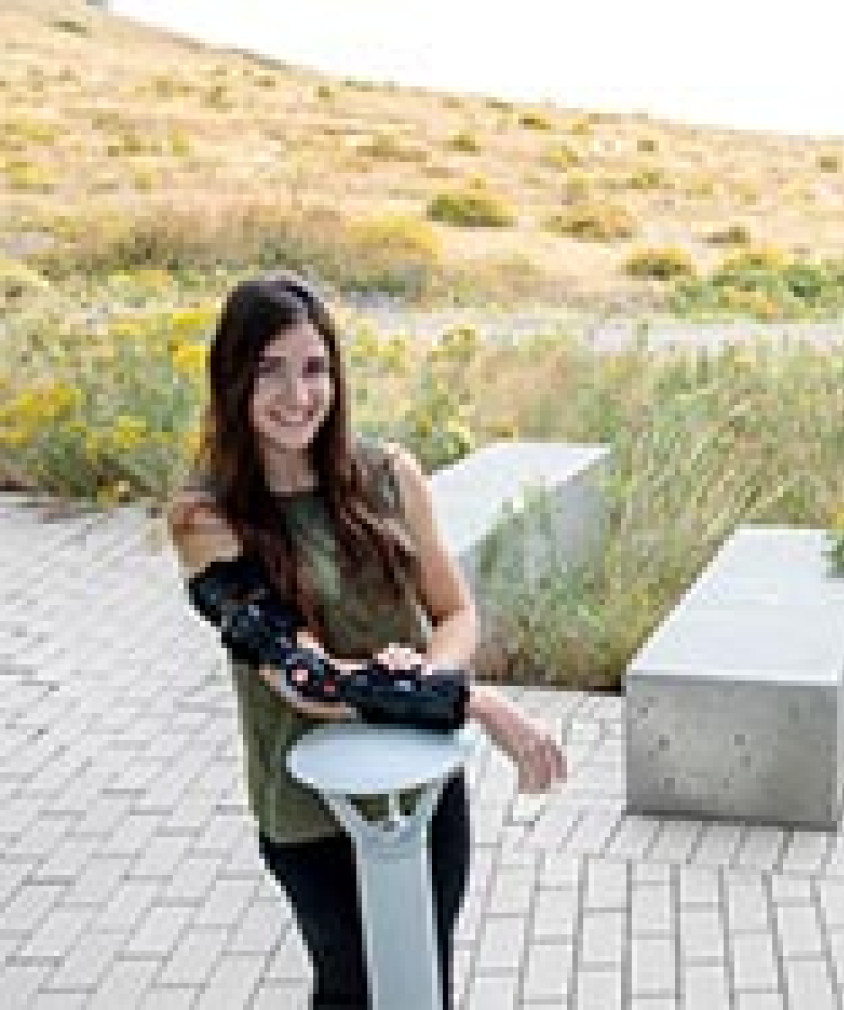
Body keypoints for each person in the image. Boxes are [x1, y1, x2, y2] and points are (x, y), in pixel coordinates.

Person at [168, 272, 567, 1008]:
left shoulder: (388, 475)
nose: (298, 395)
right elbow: (305, 682)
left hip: (420, 788)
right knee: (353, 989)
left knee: (422, 982)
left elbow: (454, 613)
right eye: (269, 370)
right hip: (309, 809)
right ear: (231, 378)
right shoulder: (206, 517)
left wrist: (429, 667)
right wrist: (474, 701)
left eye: (314, 368)